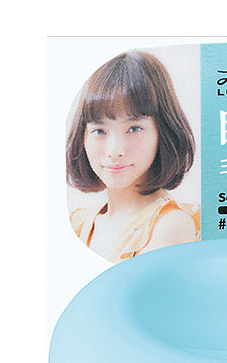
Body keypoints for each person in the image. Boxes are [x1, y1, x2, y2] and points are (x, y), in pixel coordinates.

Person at [66, 50, 200, 262]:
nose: (114, 150)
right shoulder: (79, 223)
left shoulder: (168, 226)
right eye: (99, 131)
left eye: (134, 128)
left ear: (163, 131)